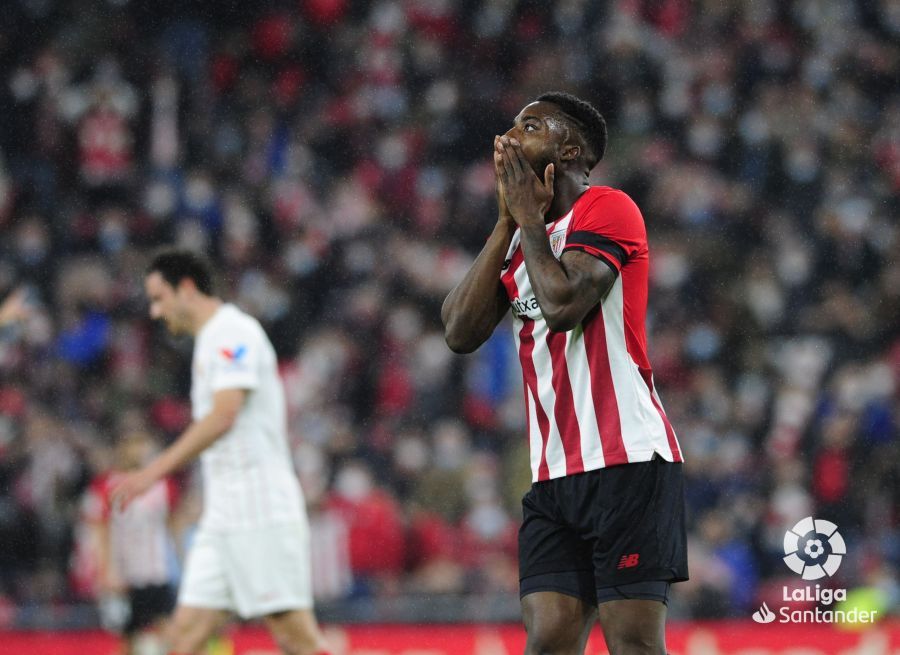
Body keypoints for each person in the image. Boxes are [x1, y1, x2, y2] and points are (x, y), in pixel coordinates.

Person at [441, 92, 688, 655]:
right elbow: (458, 332)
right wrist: (507, 224)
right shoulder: (519, 238)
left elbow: (564, 304)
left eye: (528, 126)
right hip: (552, 475)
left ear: (569, 150)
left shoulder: (608, 207)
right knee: (548, 639)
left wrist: (527, 219)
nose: (508, 137)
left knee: (633, 645)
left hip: (628, 461)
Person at [111, 250, 330, 655]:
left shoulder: (233, 333)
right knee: (186, 635)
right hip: (223, 514)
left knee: (295, 638)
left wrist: (152, 471)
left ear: (187, 288)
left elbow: (224, 415)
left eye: (159, 298)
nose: (156, 312)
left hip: (261, 507)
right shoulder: (210, 341)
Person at [84, 431, 178, 655]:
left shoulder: (163, 485)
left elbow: (172, 526)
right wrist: (106, 571)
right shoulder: (106, 485)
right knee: (128, 634)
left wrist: (179, 563)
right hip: (125, 572)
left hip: (157, 570)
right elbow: (100, 530)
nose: (141, 452)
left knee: (168, 627)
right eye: (134, 446)